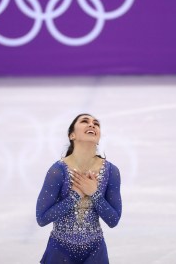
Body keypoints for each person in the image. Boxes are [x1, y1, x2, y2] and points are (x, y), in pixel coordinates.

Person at [36, 113, 122, 263]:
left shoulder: (111, 171)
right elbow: (42, 218)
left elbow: (113, 220)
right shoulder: (58, 171)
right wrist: (75, 196)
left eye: (96, 123)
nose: (92, 124)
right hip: (59, 252)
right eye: (84, 121)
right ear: (72, 135)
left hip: (95, 252)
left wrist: (94, 193)